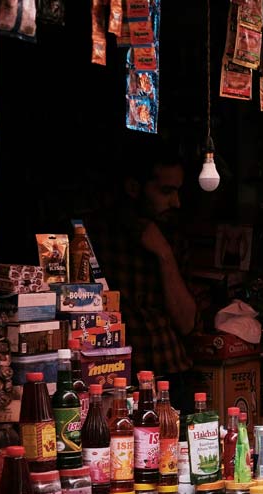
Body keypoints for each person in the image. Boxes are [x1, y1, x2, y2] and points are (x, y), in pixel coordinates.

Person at [92, 139, 197, 409]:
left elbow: (186, 322)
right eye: (166, 191)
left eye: (178, 191)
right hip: (115, 376)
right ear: (134, 188)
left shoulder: (173, 238)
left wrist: (164, 255)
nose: (176, 202)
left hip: (170, 371)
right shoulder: (98, 237)